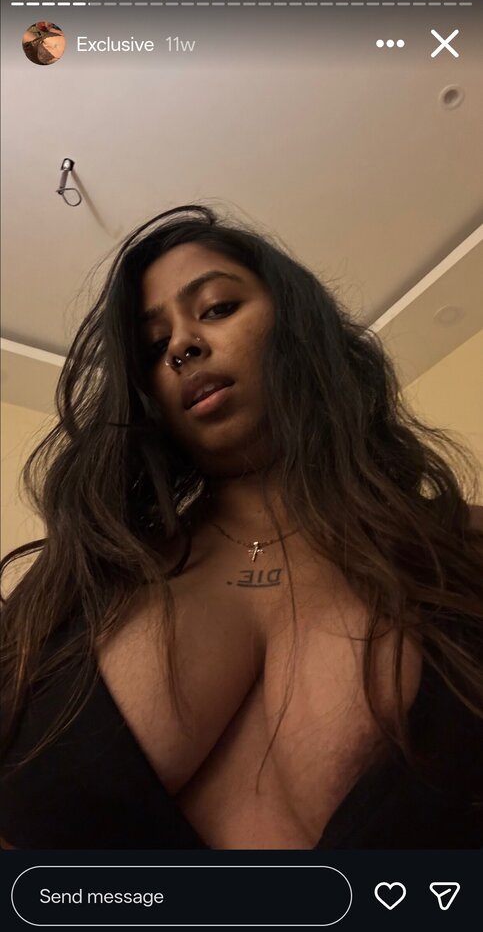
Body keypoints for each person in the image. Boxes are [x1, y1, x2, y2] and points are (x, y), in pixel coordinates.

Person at [1, 203, 482, 850]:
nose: (182, 346)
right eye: (153, 347)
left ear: (298, 324)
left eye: (217, 308)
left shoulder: (461, 547)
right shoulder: (79, 585)